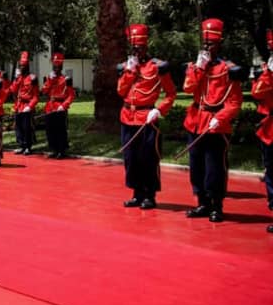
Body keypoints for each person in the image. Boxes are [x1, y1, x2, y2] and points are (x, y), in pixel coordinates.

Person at [181, 18, 244, 222]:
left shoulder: (229, 69)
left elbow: (234, 102)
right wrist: (199, 67)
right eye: (205, 44)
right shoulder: (195, 66)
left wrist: (221, 118)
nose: (208, 48)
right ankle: (202, 203)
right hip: (196, 121)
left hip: (216, 124)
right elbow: (188, 88)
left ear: (220, 44)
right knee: (196, 165)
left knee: (215, 167)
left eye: (212, 44)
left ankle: (216, 205)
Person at [117, 23, 177, 210]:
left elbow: (171, 93)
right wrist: (130, 71)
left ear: (146, 46)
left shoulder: (157, 67)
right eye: (134, 48)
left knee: (148, 158)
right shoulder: (127, 67)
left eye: (140, 48)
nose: (137, 52)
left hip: (147, 117)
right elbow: (120, 91)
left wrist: (159, 109)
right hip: (128, 116)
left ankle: (149, 195)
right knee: (131, 158)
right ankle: (137, 193)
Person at [252, 29, 273, 234]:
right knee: (271, 171)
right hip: (269, 129)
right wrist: (268, 74)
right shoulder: (268, 72)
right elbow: (257, 92)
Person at [42, 53, 76, 159]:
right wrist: (50, 81)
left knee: (60, 129)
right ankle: (54, 149)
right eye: (54, 66)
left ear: (61, 67)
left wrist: (64, 105)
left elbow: (71, 95)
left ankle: (61, 150)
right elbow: (44, 91)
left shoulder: (66, 79)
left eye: (57, 66)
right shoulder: (49, 78)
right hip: (50, 106)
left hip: (60, 106)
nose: (55, 68)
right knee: (50, 129)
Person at [10, 51, 39, 155]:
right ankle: (21, 145)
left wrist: (30, 106)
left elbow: (36, 96)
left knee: (27, 127)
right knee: (18, 127)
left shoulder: (32, 78)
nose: (21, 68)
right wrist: (16, 79)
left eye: (23, 66)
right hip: (19, 105)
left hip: (27, 105)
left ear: (27, 67)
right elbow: (12, 90)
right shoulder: (19, 78)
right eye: (20, 66)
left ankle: (28, 146)